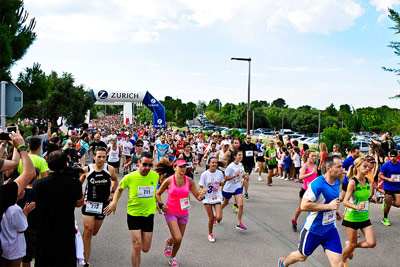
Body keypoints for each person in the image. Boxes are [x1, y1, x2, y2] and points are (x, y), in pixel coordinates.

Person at [278, 155, 344, 267]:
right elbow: (304, 205)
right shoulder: (318, 184)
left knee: (338, 264)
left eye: (342, 166)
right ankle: (283, 263)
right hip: (314, 230)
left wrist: (335, 210)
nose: (342, 169)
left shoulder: (336, 182)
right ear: (328, 169)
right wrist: (328, 207)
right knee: (302, 256)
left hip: (330, 229)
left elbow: (330, 201)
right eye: (338, 167)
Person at [104, 152, 159, 267]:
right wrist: (114, 202)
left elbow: (154, 191)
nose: (147, 168)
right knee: (137, 245)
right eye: (144, 164)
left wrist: (158, 203)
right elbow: (119, 189)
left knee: (145, 248)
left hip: (149, 215)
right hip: (133, 214)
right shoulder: (130, 177)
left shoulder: (155, 176)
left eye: (150, 165)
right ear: (138, 163)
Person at [32, 151, 84, 266]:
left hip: (44, 232)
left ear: (48, 163)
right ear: (66, 164)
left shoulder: (39, 184)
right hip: (65, 232)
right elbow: (80, 203)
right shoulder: (74, 183)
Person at [155, 159, 205, 267]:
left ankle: (172, 258)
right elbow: (157, 194)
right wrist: (160, 204)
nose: (183, 169)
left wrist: (203, 195)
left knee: (179, 239)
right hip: (170, 212)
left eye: (184, 166)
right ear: (174, 167)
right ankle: (169, 242)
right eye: (180, 166)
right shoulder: (169, 180)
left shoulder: (189, 181)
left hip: (184, 213)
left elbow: (198, 197)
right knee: (177, 237)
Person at [79, 147, 118, 267]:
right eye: (99, 157)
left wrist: (112, 192)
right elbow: (77, 185)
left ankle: (81, 240)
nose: (101, 159)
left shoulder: (109, 169)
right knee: (89, 230)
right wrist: (82, 199)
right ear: (94, 157)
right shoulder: (87, 169)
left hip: (103, 205)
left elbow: (115, 181)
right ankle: (85, 260)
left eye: (104, 157)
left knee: (94, 232)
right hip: (89, 203)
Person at [342, 156, 376, 267]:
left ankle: (351, 245)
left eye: (369, 167)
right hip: (352, 218)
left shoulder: (367, 180)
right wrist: (356, 207)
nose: (368, 169)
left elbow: (364, 198)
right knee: (352, 244)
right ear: (357, 167)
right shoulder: (353, 182)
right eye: (365, 166)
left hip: (364, 217)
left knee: (371, 243)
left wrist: (371, 199)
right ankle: (341, 262)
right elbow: (345, 201)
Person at [198, 157, 224, 242]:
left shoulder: (220, 173)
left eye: (216, 163)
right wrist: (202, 191)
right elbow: (201, 187)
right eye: (212, 163)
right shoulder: (204, 174)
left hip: (216, 196)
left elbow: (222, 183)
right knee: (211, 218)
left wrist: (221, 190)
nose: (214, 164)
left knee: (219, 217)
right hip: (207, 197)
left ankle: (214, 218)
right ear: (209, 164)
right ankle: (210, 234)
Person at [221, 149, 248, 231]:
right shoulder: (230, 167)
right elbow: (225, 178)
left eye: (241, 155)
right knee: (225, 202)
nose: (241, 156)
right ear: (234, 156)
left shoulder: (240, 164)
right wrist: (234, 175)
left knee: (241, 204)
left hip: (237, 187)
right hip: (229, 188)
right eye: (239, 155)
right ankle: (217, 214)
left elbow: (240, 174)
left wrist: (244, 176)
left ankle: (239, 223)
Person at [291, 149, 318, 232]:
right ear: (307, 156)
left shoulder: (315, 166)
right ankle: (294, 220)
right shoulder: (305, 166)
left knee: (314, 208)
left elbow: (315, 177)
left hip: (313, 190)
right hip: (305, 190)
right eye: (312, 156)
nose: (314, 158)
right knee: (301, 208)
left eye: (315, 156)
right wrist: (311, 173)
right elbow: (300, 177)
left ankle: (311, 226)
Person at [379, 149, 400, 226]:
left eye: (394, 156)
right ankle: (385, 218)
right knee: (388, 205)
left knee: (398, 204)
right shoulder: (386, 165)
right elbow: (380, 175)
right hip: (388, 186)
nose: (392, 158)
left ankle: (388, 202)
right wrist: (388, 179)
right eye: (391, 156)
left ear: (397, 157)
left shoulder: (399, 164)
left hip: (397, 186)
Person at [238, 135, 257, 199]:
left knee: (245, 178)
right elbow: (238, 153)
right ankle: (245, 192)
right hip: (244, 163)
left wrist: (255, 152)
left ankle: (242, 188)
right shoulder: (242, 146)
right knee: (247, 176)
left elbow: (256, 152)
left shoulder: (253, 145)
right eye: (248, 138)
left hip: (251, 163)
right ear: (245, 139)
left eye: (250, 138)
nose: (249, 139)